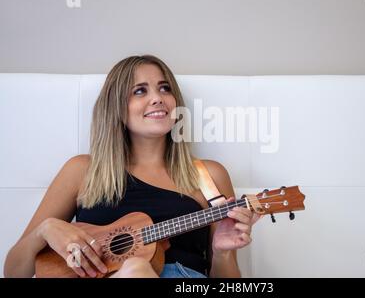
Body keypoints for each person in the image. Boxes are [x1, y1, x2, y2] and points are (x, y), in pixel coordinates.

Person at [3, 55, 260, 278]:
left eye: (164, 88)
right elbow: (15, 271)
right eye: (140, 91)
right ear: (116, 107)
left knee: (136, 269)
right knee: (135, 268)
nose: (157, 98)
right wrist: (46, 230)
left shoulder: (208, 176)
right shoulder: (81, 170)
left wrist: (222, 253)